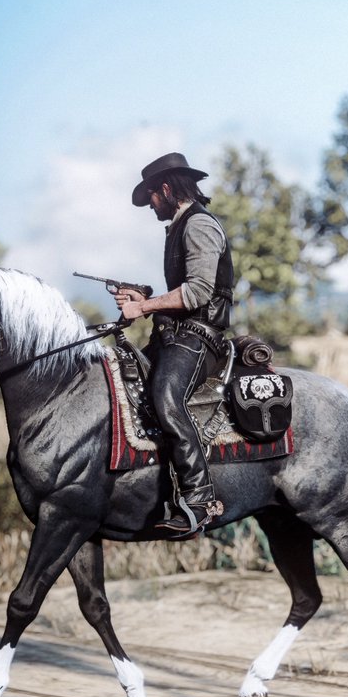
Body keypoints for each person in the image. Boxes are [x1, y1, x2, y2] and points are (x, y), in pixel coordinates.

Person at [113, 152, 234, 538]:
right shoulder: (180, 225)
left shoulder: (198, 224)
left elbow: (199, 292)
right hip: (177, 335)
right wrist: (145, 294)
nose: (151, 204)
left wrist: (144, 306)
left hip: (199, 338)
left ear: (165, 189)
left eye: (151, 196)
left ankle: (199, 500)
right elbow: (185, 286)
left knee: (166, 397)